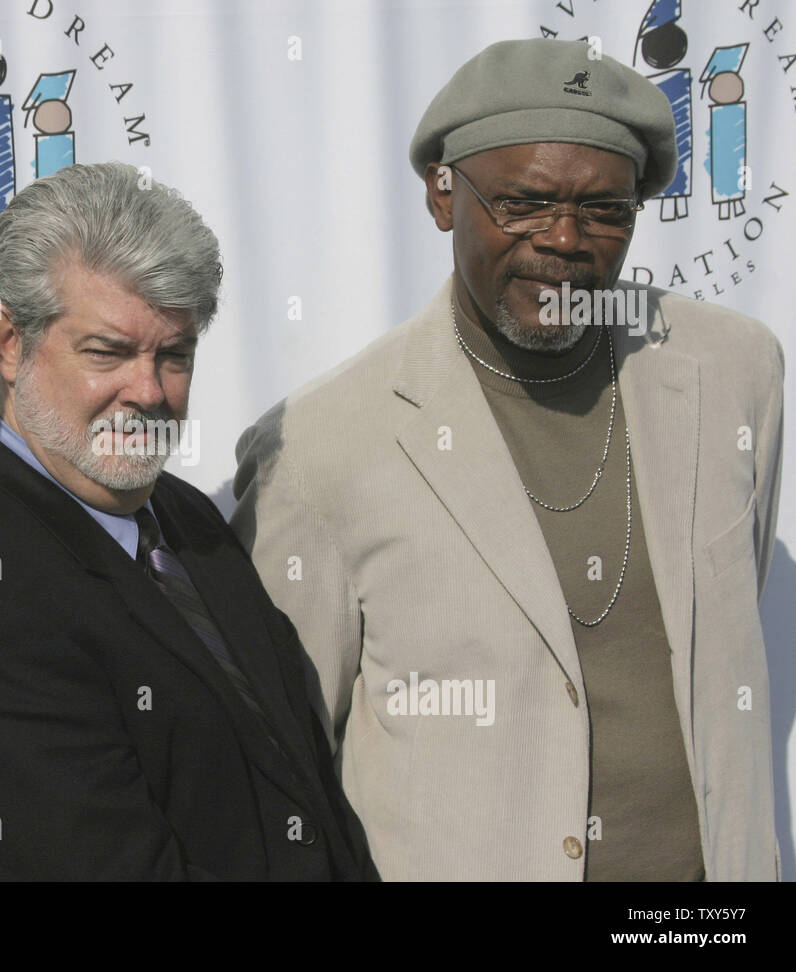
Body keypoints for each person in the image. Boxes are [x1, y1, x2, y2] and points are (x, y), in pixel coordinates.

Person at [232, 38, 783, 881]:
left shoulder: (733, 370)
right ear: (443, 196)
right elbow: (280, 752)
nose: (565, 239)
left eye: (604, 211)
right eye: (524, 204)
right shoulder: (318, 444)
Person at [0, 162, 375, 880]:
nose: (148, 391)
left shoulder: (184, 516)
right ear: (9, 340)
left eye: (175, 355)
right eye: (107, 352)